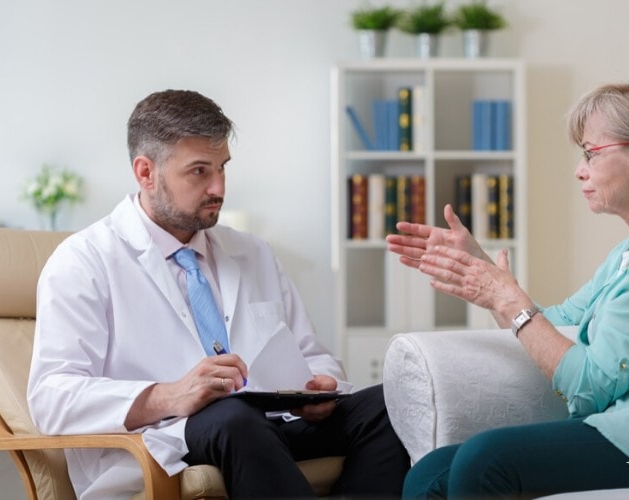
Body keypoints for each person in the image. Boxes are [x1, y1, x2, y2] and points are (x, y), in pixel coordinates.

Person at [386, 82, 629, 497]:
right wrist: (482, 273)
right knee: (432, 473)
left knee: (485, 460)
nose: (579, 169)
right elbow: (555, 326)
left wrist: (505, 297)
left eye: (591, 153)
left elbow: (589, 383)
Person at [27, 89, 410, 499]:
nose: (218, 187)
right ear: (145, 173)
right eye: (199, 171)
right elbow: (51, 397)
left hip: (270, 425)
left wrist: (318, 387)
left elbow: (309, 352)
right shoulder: (85, 261)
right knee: (233, 417)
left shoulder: (253, 252)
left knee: (392, 404)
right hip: (164, 440)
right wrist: (168, 395)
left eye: (222, 168)